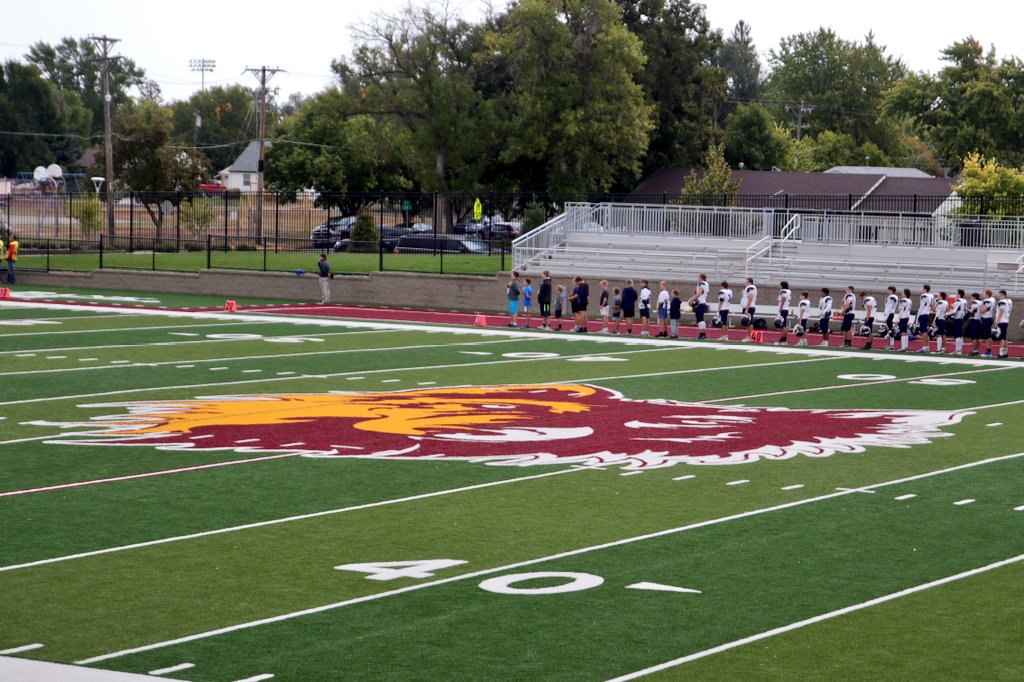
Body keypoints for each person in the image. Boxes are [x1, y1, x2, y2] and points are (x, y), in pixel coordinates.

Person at [687, 273, 710, 340]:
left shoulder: (701, 283)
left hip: (699, 303)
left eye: (699, 277)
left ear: (701, 277)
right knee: (701, 319)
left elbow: (699, 293)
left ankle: (701, 334)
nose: (698, 278)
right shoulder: (706, 284)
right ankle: (703, 334)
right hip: (703, 302)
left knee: (700, 319)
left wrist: (691, 300)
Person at [994, 290, 1013, 358]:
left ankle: (1001, 353)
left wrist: (996, 323)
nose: (999, 296)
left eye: (1000, 295)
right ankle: (1005, 353)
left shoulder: (1002, 302)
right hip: (1006, 321)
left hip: (1001, 321)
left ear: (1004, 295)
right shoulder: (1009, 301)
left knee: (1001, 338)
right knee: (1004, 338)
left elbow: (1001, 313)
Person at [949, 289, 968, 355]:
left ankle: (958, 350)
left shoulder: (958, 300)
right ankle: (959, 349)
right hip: (962, 318)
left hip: (957, 318)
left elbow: (954, 310)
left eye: (956, 293)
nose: (956, 295)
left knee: (957, 335)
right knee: (960, 334)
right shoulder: (964, 300)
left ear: (959, 294)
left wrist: (947, 314)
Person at [980, 289, 996, 357]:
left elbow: (982, 311)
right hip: (989, 318)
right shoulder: (992, 299)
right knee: (988, 336)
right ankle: (989, 351)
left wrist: (980, 306)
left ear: (987, 294)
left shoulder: (987, 300)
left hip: (986, 319)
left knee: (988, 337)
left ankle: (989, 352)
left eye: (984, 293)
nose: (983, 294)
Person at [775, 281, 792, 345]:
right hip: (786, 309)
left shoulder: (783, 291)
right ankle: (784, 339)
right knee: (784, 325)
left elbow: (783, 300)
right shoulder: (788, 291)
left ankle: (783, 339)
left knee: (782, 325)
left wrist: (779, 310)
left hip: (783, 309)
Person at [898, 288, 914, 352]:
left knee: (902, 332)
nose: (901, 293)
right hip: (907, 316)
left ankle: (903, 347)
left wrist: (898, 317)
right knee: (905, 332)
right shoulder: (910, 300)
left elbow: (901, 309)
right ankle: (906, 346)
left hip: (903, 316)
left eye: (903, 292)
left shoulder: (903, 300)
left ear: (905, 293)